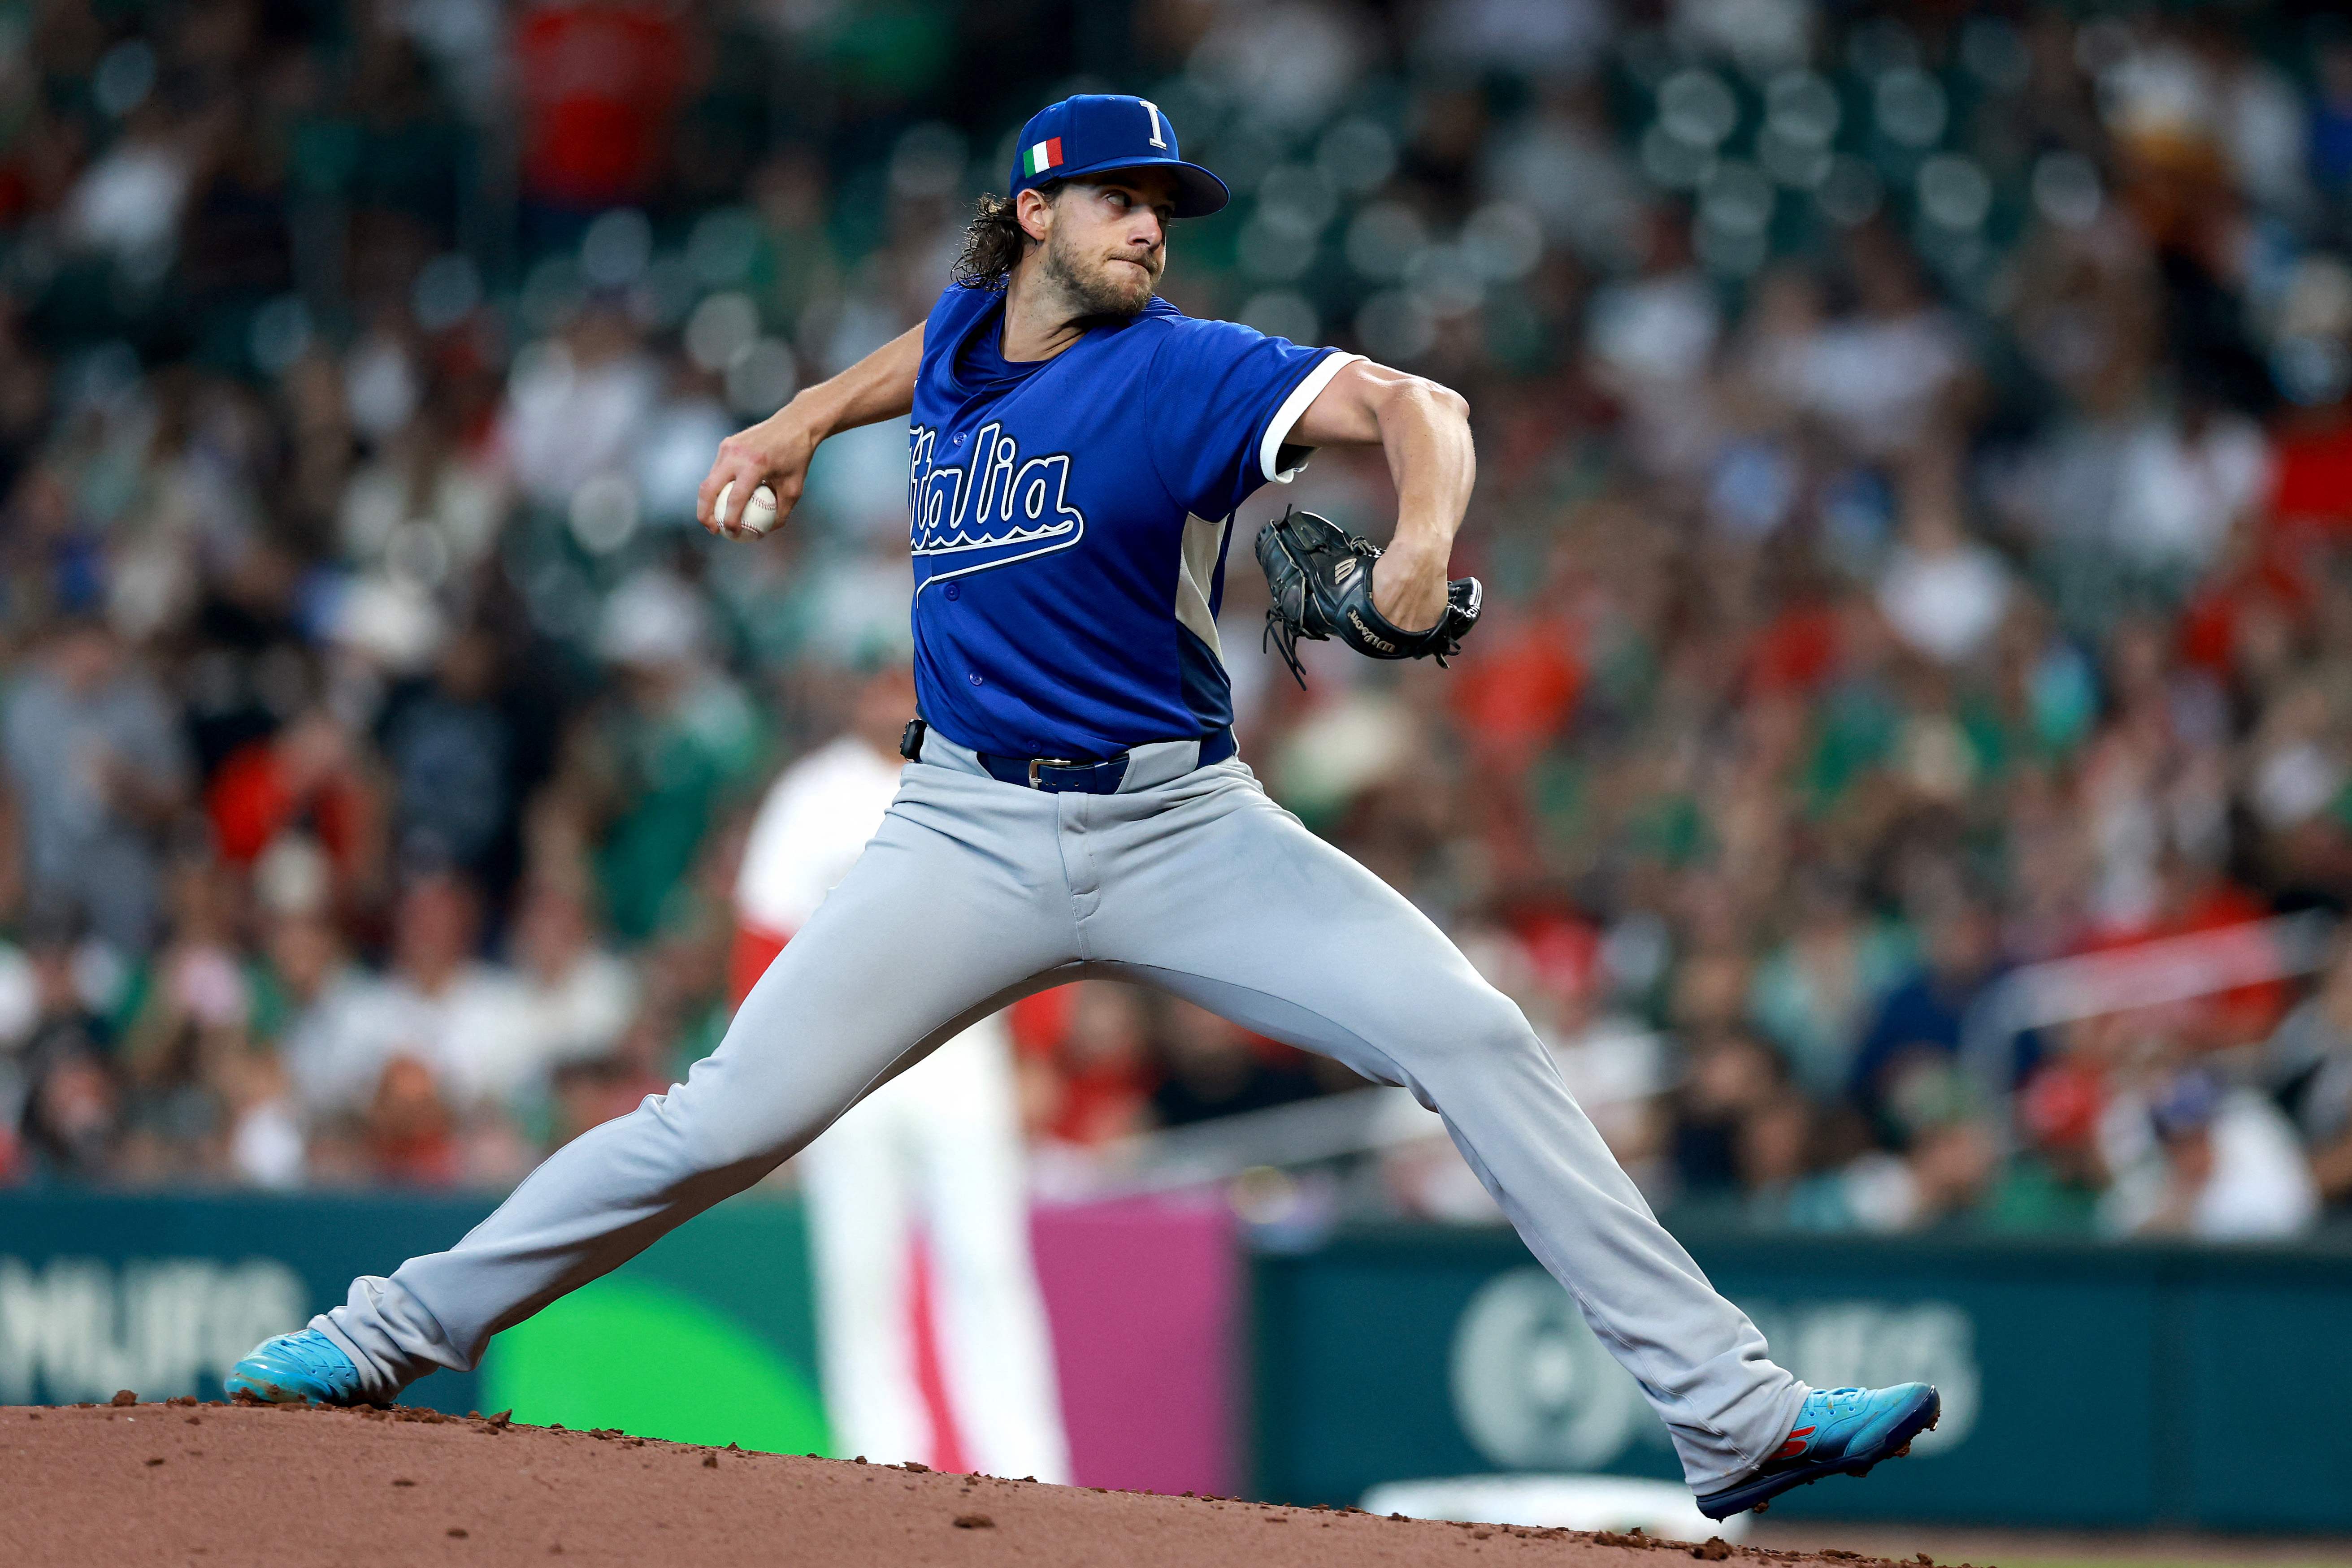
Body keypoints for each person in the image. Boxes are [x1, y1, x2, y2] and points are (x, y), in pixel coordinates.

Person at [226, 94, 1934, 1520]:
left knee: (1475, 1032)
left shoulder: (1184, 367)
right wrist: (805, 413)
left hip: (1183, 829)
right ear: (1031, 214)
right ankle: (379, 1335)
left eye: (1163, 206)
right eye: (1122, 199)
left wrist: (1418, 544)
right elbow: (929, 348)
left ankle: (1731, 1413)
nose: (1150, 227)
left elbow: (1421, 405)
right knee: (718, 1120)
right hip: (960, 832)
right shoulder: (976, 327)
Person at [731, 662, 1069, 1481]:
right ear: (856, 694)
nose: (889, 697)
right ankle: (877, 1464)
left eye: (902, 682)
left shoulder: (983, 773)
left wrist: (1036, 1052)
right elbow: (761, 945)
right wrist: (766, 1078)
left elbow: (1038, 923)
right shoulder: (809, 797)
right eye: (876, 682)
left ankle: (1026, 1468)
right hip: (845, 1062)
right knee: (859, 1271)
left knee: (988, 1264)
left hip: (964, 1055)